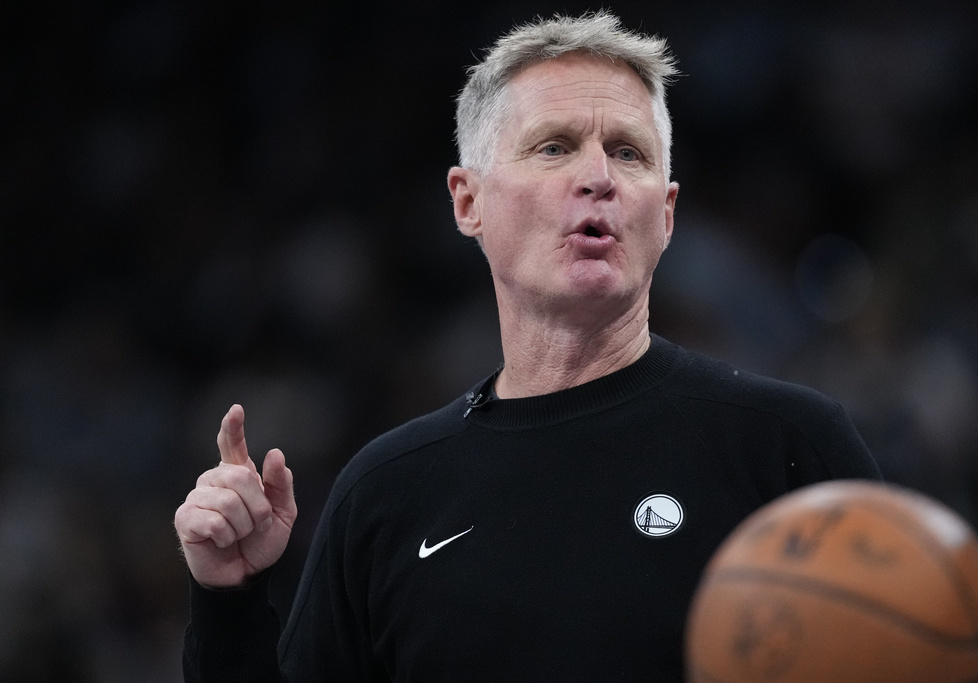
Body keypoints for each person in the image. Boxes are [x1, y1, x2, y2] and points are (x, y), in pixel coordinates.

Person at [174, 11, 882, 681]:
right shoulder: (387, 492)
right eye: (555, 146)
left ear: (664, 215)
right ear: (467, 201)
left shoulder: (787, 446)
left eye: (628, 152)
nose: (598, 176)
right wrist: (229, 597)